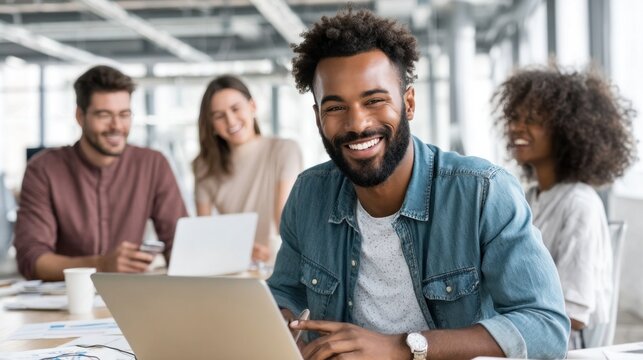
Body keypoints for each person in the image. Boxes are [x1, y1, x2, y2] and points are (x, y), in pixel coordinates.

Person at [267, 7, 570, 360]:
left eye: (374, 100)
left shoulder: (482, 192)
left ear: (408, 103)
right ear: (318, 118)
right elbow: (285, 294)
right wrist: (279, 322)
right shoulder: (309, 195)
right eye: (335, 108)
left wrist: (403, 347)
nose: (357, 123)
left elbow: (546, 329)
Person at [494, 66, 637, 348]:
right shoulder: (528, 196)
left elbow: (574, 311)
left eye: (532, 119)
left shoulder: (579, 204)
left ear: (566, 131)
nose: (516, 127)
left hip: (560, 349)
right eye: (514, 118)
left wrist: (497, 325)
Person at [14, 65, 188, 281]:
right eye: (104, 115)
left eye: (124, 114)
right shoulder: (43, 169)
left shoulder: (153, 164)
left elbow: (180, 244)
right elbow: (32, 259)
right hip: (68, 301)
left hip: (131, 299)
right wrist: (101, 265)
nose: (116, 126)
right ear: (80, 115)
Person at [192, 75, 303, 263]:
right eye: (219, 115)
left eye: (235, 109)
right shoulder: (204, 165)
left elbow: (284, 221)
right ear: (211, 124)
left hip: (278, 262)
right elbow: (204, 233)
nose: (230, 120)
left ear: (252, 106)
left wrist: (274, 251)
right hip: (231, 265)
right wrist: (235, 250)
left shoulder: (284, 150)